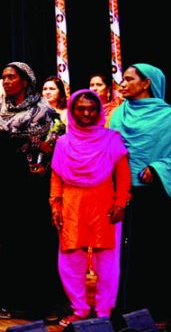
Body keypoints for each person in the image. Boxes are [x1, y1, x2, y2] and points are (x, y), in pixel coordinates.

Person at [0, 62, 64, 320]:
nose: (7, 81)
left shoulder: (43, 110)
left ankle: (44, 303)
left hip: (35, 183)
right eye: (4, 77)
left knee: (38, 241)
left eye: (12, 77)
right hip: (8, 183)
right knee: (12, 239)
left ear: (26, 81)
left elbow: (54, 143)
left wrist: (40, 155)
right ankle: (13, 300)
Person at [50, 89, 129, 326]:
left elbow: (123, 174)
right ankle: (80, 308)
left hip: (104, 202)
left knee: (107, 261)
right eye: (81, 108)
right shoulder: (64, 141)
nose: (86, 113)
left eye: (92, 109)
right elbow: (56, 177)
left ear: (98, 112)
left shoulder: (111, 138)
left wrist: (120, 202)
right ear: (72, 111)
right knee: (70, 259)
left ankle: (104, 310)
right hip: (72, 203)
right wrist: (55, 205)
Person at [109, 64, 171, 325]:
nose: (122, 84)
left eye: (128, 79)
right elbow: (106, 150)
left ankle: (157, 312)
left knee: (154, 254)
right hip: (122, 195)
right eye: (122, 79)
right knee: (121, 257)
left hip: (155, 196)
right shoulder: (116, 115)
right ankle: (125, 312)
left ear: (146, 83)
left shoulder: (167, 117)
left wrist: (158, 168)